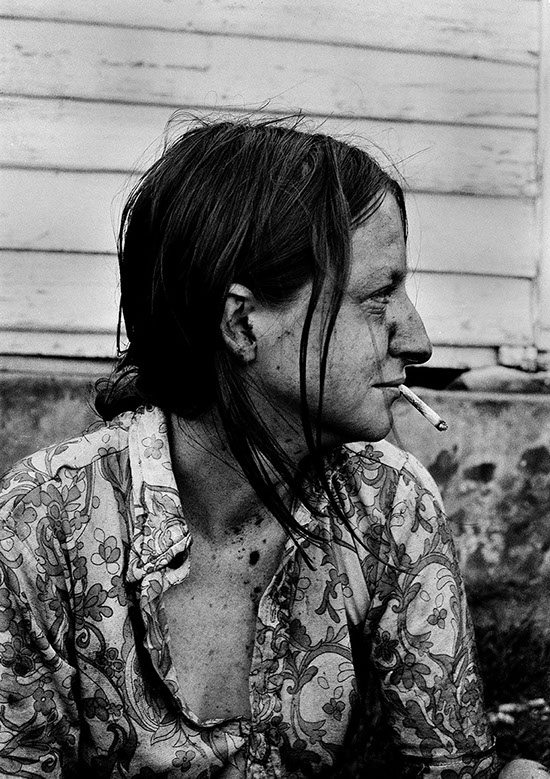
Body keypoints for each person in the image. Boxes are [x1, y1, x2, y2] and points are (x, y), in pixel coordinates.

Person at [0, 118, 547, 779]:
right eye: (378, 296)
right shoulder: (47, 524)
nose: (418, 339)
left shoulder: (387, 505)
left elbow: (452, 771)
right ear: (241, 323)